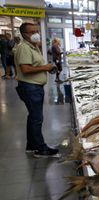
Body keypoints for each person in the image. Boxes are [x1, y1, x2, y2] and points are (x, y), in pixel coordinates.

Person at [14, 22, 58, 157]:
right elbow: (25, 69)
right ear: (24, 34)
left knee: (33, 117)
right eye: (32, 32)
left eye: (36, 31)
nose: (35, 34)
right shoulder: (24, 48)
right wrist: (45, 68)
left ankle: (32, 145)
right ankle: (40, 148)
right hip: (30, 87)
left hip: (34, 86)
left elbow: (34, 65)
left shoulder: (33, 47)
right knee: (37, 118)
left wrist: (47, 68)